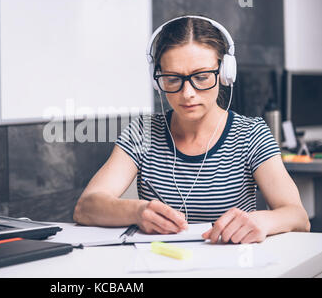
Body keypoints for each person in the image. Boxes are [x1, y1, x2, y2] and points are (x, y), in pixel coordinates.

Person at [73, 15, 310, 244]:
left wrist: (262, 221)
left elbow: (298, 217)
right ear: (157, 79)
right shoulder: (142, 131)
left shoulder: (251, 134)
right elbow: (86, 207)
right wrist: (137, 211)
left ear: (225, 73)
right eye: (173, 79)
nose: (188, 93)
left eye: (202, 77)